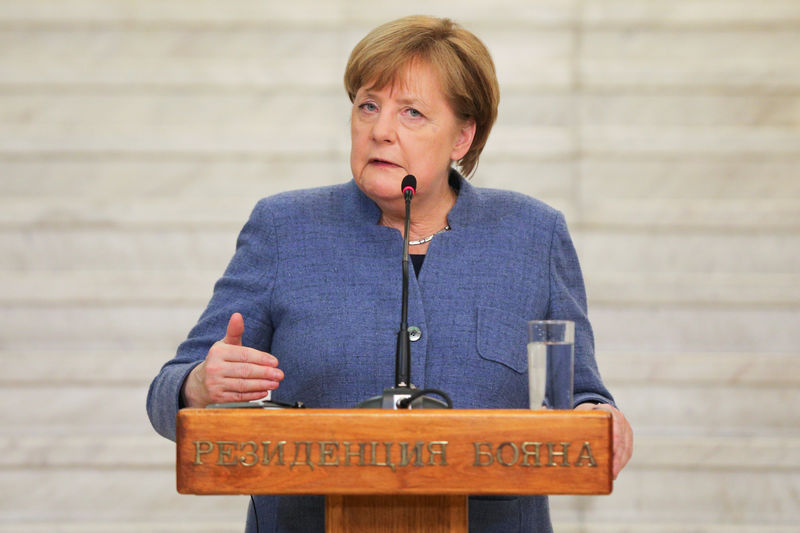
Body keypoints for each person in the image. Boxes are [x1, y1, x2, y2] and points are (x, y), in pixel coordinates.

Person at [147, 15, 633, 533]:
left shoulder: (533, 235)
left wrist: (602, 416)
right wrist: (199, 384)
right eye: (368, 106)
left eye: (413, 113)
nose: (380, 130)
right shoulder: (284, 228)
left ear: (462, 138)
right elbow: (166, 394)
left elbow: (581, 394)